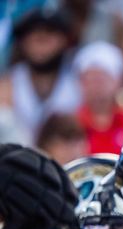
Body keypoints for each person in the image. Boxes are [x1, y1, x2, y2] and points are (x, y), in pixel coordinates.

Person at [0, 7, 81, 145]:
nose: (41, 41)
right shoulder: (9, 83)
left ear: (65, 40)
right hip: (20, 160)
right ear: (23, 42)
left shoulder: (80, 77)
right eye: (32, 34)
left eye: (50, 33)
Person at [73, 41, 123, 155]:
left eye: (102, 79)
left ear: (119, 80)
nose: (96, 86)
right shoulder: (69, 124)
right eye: (89, 79)